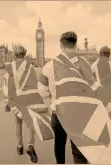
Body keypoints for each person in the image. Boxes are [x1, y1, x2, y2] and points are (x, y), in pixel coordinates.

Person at [38, 31, 88, 164]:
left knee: (59, 144)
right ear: (76, 45)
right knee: (79, 149)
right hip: (79, 113)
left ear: (61, 45)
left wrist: (50, 105)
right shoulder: (85, 64)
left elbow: (42, 90)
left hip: (59, 112)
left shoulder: (50, 65)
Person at [3, 45, 38, 163]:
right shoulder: (30, 67)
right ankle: (30, 145)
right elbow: (35, 84)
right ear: (25, 54)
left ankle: (19, 146)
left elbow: (6, 86)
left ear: (14, 54)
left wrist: (7, 101)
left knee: (18, 123)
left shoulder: (9, 67)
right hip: (28, 100)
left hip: (16, 100)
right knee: (30, 123)